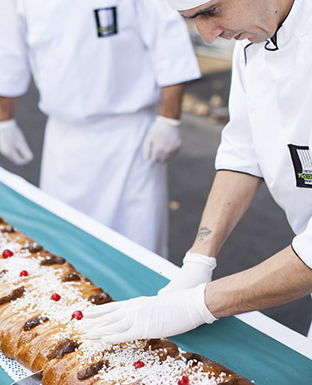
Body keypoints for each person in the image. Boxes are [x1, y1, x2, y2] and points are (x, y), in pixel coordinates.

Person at [80, 0, 312, 345]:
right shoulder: (250, 39)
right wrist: (198, 260)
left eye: (211, 11)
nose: (208, 34)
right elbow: (243, 152)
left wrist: (201, 304)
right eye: (193, 19)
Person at [0, 0, 202, 257]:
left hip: (131, 137)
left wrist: (169, 119)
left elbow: (168, 40)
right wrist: (4, 119)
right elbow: (9, 52)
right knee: (65, 249)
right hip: (64, 142)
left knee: (137, 248)